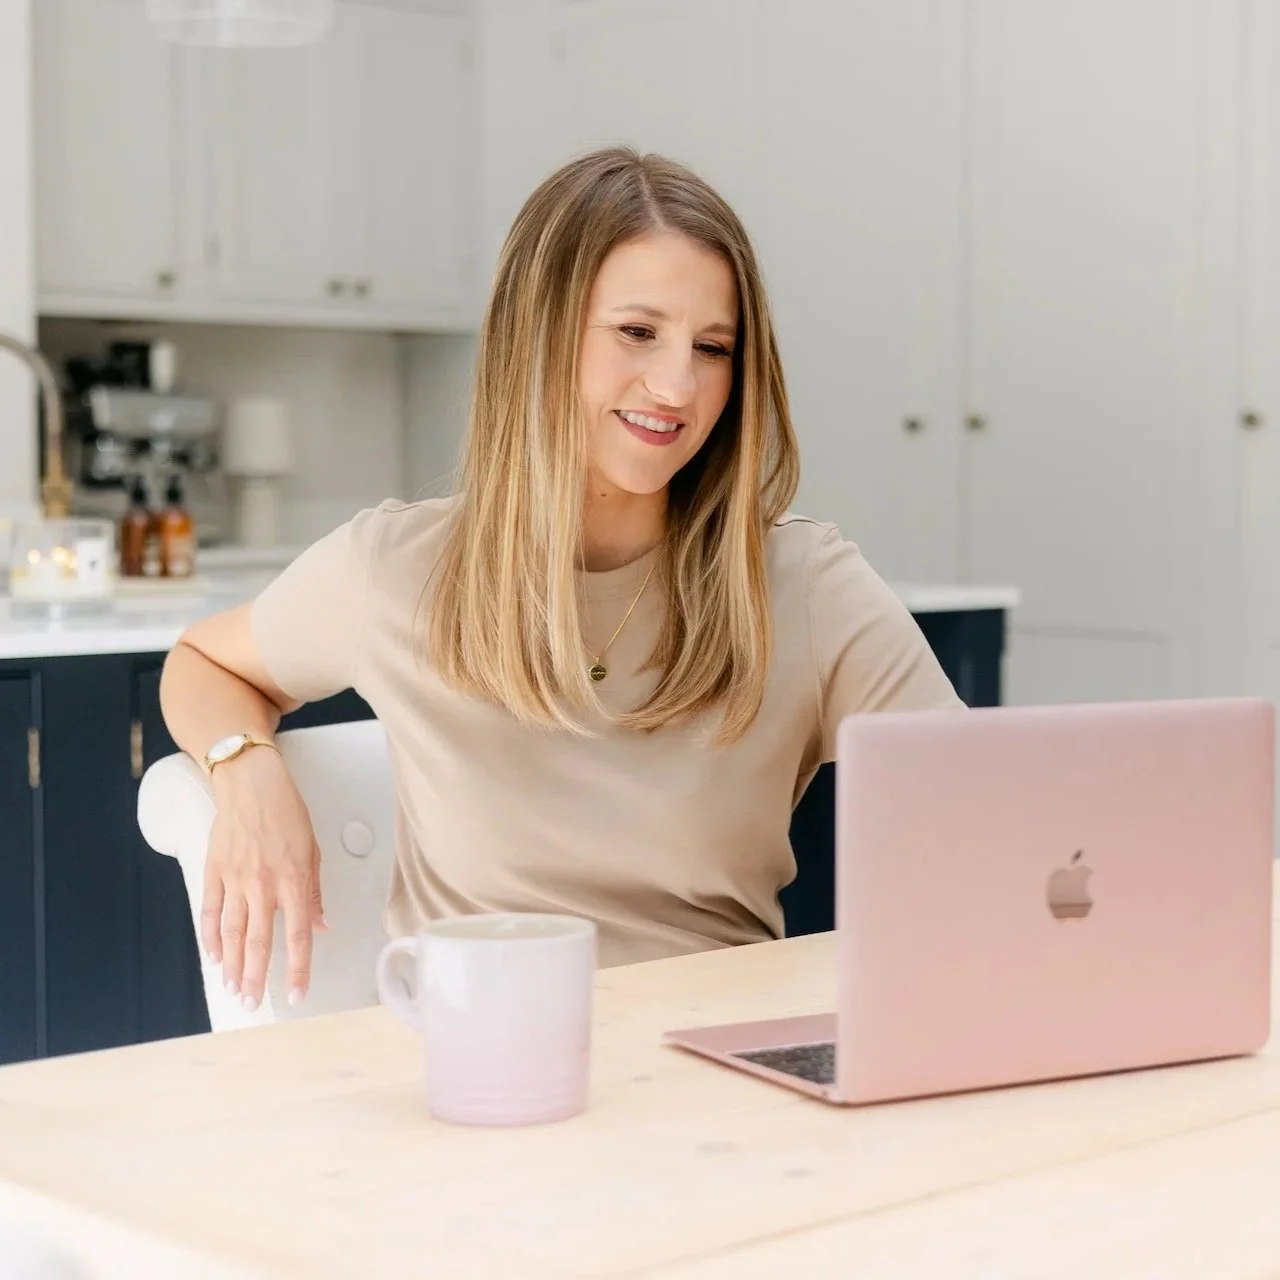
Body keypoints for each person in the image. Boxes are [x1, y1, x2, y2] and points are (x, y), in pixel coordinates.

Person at [159, 146, 963, 1014]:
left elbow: (981, 802)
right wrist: (245, 773)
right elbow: (206, 663)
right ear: (539, 334)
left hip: (721, 1077)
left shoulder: (804, 585)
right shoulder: (396, 568)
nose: (677, 384)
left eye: (714, 347)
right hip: (482, 1075)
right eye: (637, 332)